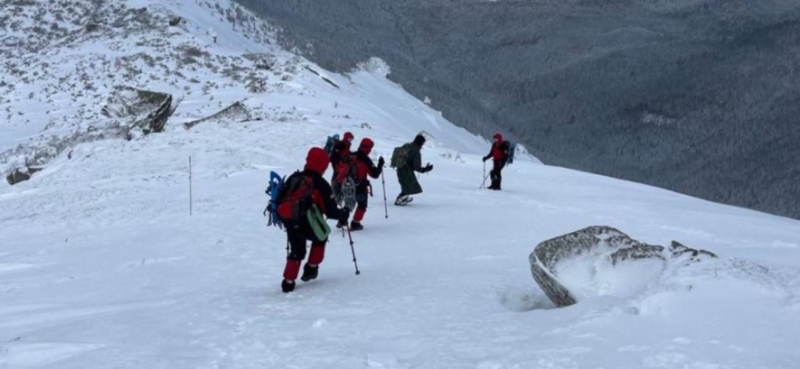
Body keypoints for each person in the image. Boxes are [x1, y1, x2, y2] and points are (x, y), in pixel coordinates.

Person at [278, 147, 350, 293]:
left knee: (296, 251)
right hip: (310, 221)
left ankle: (288, 282)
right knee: (321, 238)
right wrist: (343, 214)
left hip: (291, 220)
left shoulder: (294, 177)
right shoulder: (321, 183)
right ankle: (311, 268)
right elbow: (331, 211)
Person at [346, 138, 385, 231]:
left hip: (346, 184)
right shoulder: (366, 160)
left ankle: (342, 220)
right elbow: (374, 174)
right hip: (360, 187)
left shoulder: (350, 155)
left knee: (348, 203)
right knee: (362, 205)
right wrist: (380, 164)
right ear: (369, 149)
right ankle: (355, 223)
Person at [395, 134, 433, 206]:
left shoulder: (407, 146)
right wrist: (425, 169)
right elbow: (416, 167)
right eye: (423, 143)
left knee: (407, 185)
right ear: (420, 143)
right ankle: (400, 200)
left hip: (400, 168)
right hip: (406, 171)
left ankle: (404, 198)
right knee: (410, 186)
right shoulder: (416, 152)